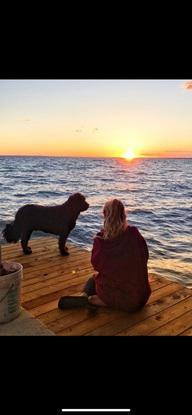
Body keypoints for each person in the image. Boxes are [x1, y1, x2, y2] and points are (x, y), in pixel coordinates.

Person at [82, 198, 151, 312]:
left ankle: (87, 298)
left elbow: (97, 266)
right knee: (106, 279)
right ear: (123, 215)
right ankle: (92, 299)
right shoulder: (134, 234)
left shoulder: (101, 241)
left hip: (125, 300)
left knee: (93, 280)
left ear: (105, 216)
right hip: (141, 297)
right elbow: (145, 256)